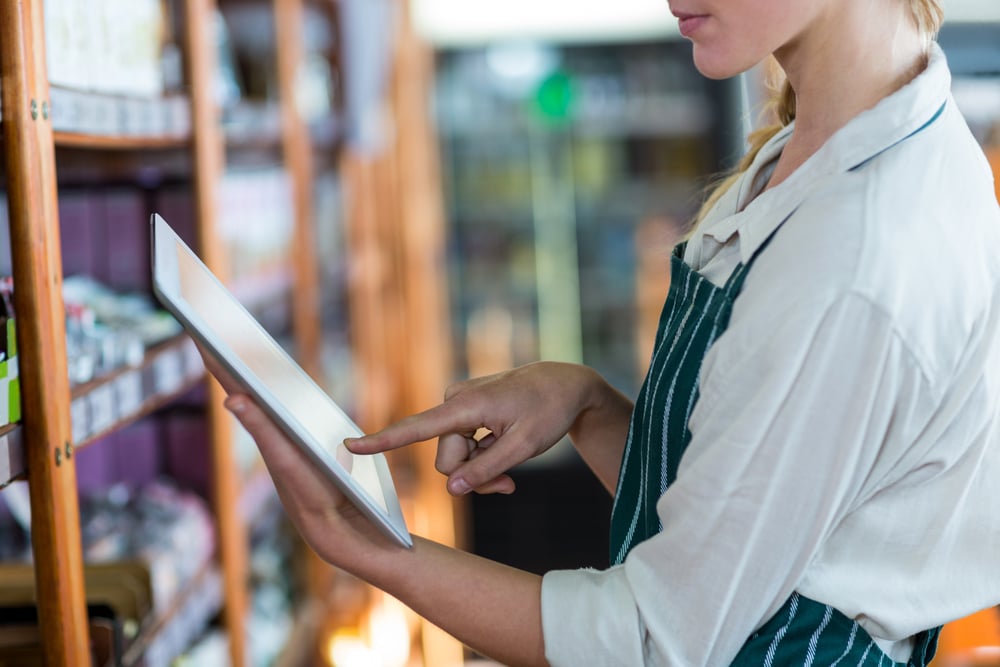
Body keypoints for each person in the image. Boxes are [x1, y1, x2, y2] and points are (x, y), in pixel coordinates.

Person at [211, 0, 1000, 664]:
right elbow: (756, 523)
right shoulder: (833, 149)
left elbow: (656, 639)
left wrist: (362, 544)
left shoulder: (858, 254)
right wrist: (587, 403)